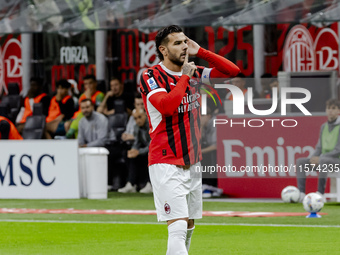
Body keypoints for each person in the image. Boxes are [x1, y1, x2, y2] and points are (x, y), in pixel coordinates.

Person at [139, 25, 239, 254]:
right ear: (163, 50)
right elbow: (166, 106)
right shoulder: (151, 76)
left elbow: (232, 71)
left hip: (192, 162)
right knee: (178, 226)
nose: (184, 46)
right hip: (165, 162)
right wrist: (185, 76)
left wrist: (201, 51)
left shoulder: (193, 72)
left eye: (185, 41)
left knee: (189, 225)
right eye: (177, 43)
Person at [296, 99, 340, 202]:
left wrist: (320, 158)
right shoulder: (323, 127)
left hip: (336, 161)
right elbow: (319, 147)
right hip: (324, 160)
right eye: (328, 108)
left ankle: (320, 194)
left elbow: (338, 150)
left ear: (338, 110)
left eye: (333, 108)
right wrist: (313, 158)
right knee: (301, 162)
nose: (330, 111)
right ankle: (301, 193)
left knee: (323, 161)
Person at [118, 108, 151, 193]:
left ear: (145, 116)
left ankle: (150, 184)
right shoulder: (136, 127)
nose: (138, 120)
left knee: (149, 155)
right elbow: (136, 142)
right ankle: (131, 184)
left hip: (155, 150)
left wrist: (138, 152)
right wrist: (133, 150)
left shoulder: (151, 125)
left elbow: (152, 145)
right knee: (129, 155)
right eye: (135, 118)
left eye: (140, 117)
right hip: (145, 149)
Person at [66, 74, 104, 139]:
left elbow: (96, 111)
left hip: (90, 117)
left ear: (95, 84)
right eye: (86, 84)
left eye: (90, 83)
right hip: (78, 117)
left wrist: (88, 97)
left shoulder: (99, 95)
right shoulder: (82, 95)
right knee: (67, 124)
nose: (88, 86)